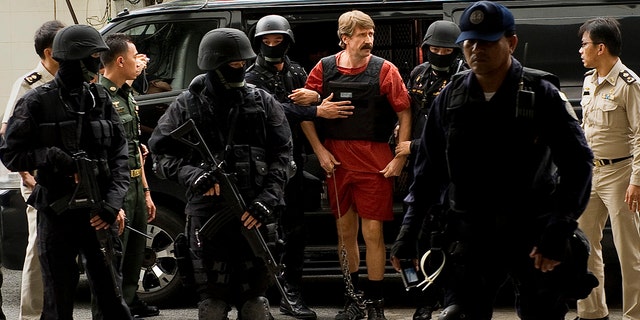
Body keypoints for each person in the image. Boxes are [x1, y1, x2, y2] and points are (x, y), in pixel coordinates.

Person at [391, 1, 596, 319]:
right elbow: (428, 172)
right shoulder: (451, 98)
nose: (476, 50)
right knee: (462, 312)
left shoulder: (540, 93)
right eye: (470, 42)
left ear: (510, 42)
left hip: (531, 233)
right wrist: (408, 233)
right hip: (472, 234)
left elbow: (578, 163)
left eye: (487, 42)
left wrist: (558, 229)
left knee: (541, 311)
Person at [148, 27, 293, 320]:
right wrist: (192, 175)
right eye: (234, 64)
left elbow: (284, 156)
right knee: (212, 307)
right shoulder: (188, 103)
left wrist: (268, 198)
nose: (241, 68)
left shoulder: (262, 101)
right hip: (207, 213)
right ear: (214, 64)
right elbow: (160, 155)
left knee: (255, 306)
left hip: (255, 210)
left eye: (243, 63)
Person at [0, 24, 132, 319]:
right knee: (57, 301)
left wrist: (113, 203)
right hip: (57, 212)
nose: (98, 64)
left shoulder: (100, 99)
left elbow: (120, 156)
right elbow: (10, 153)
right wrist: (53, 158)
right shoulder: (36, 101)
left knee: (111, 298)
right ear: (73, 59)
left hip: (98, 213)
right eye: (92, 57)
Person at [300, 9, 411, 320]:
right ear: (345, 38)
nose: (369, 40)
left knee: (373, 232)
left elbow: (404, 112)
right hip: (336, 161)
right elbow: (303, 112)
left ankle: (375, 303)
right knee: (344, 231)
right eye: (362, 35)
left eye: (371, 34)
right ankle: (353, 299)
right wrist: (320, 151)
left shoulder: (385, 70)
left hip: (374, 159)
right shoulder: (323, 69)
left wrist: (400, 157)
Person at [245, 14, 355, 320]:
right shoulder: (252, 75)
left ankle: (291, 293)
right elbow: (272, 109)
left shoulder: (295, 70)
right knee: (268, 231)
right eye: (265, 41)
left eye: (277, 40)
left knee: (296, 231)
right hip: (263, 164)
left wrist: (315, 102)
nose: (271, 45)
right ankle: (260, 295)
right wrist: (315, 108)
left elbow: (311, 106)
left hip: (292, 160)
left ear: (287, 41)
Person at [391, 20, 465, 320]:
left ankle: (450, 301)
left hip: (451, 172)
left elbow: (454, 134)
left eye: (445, 50)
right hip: (423, 171)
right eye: (433, 49)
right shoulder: (420, 74)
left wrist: (414, 146)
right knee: (421, 237)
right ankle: (425, 300)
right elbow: (411, 112)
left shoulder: (463, 80)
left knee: (451, 241)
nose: (439, 54)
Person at [0, 20, 65, 320]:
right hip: (39, 181)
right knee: (38, 250)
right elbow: (8, 132)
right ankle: (31, 316)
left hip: (68, 177)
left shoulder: (71, 79)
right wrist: (28, 177)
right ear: (50, 52)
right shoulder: (29, 83)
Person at [575, 17, 640, 320]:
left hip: (621, 175)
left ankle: (634, 315)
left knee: (629, 251)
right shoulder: (589, 80)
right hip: (591, 173)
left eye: (585, 44)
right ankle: (592, 312)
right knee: (582, 243)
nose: (580, 50)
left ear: (601, 48)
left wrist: (636, 181)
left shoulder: (630, 84)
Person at [99, 33, 160, 318]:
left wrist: (146, 192)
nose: (141, 62)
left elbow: (135, 148)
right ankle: (111, 310)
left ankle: (129, 302)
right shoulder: (101, 97)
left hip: (135, 181)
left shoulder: (127, 94)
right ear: (120, 60)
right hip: (117, 186)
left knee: (136, 250)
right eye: (136, 56)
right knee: (113, 256)